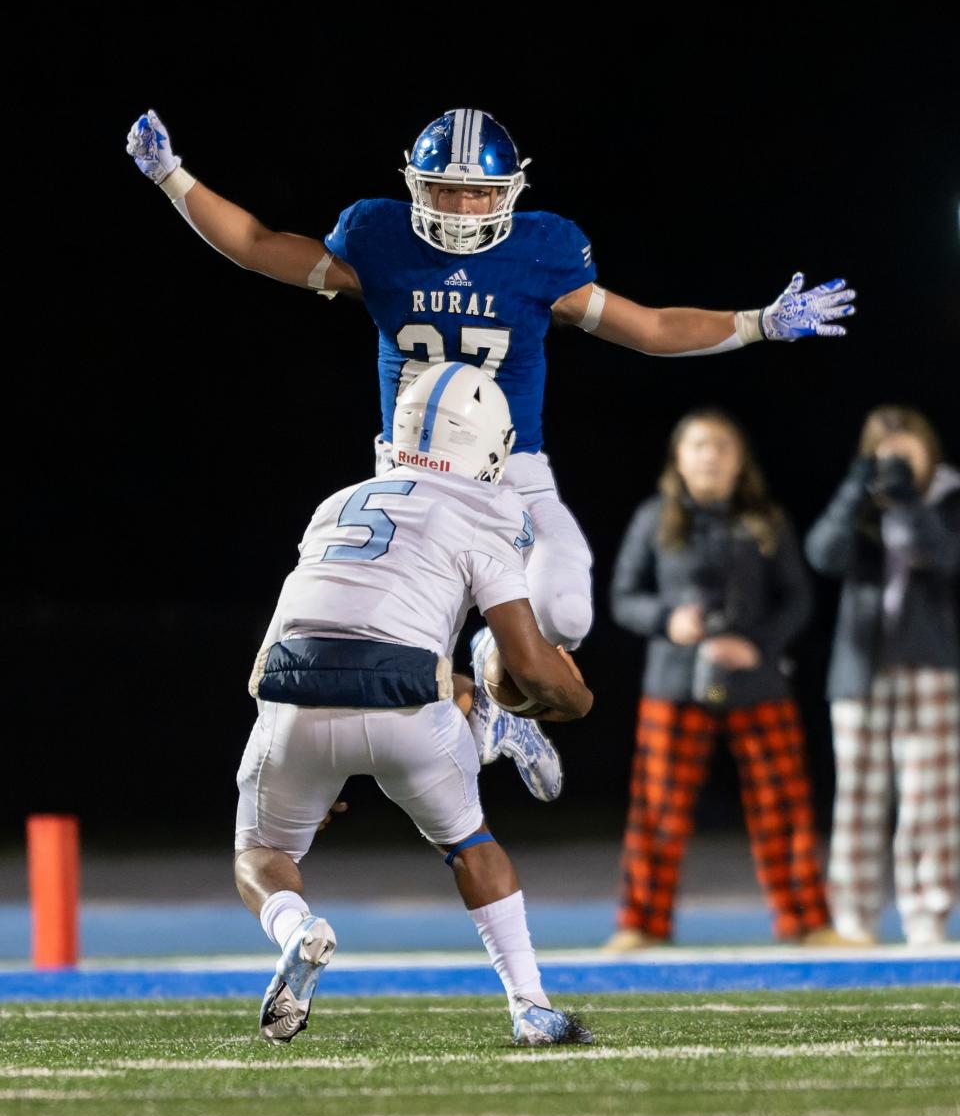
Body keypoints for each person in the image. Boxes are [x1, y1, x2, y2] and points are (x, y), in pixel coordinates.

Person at [126, 106, 855, 803]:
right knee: (391, 643)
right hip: (413, 482)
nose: (462, 207)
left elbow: (651, 326)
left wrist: (759, 324)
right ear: (415, 184)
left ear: (507, 193)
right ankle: (325, 757)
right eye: (445, 188)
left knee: (567, 614)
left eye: (478, 193)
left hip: (515, 475)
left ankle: (500, 697)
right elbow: (257, 246)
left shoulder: (540, 252)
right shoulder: (378, 241)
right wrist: (171, 176)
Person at [234, 362, 594, 1046]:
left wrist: (321, 760)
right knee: (470, 844)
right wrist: (575, 700)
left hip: (292, 693)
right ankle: (531, 1006)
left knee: (262, 852)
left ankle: (299, 929)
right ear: (489, 443)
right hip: (404, 702)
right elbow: (530, 661)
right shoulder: (487, 509)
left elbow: (317, 618)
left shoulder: (335, 502)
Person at [605, 410, 838, 949]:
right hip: (677, 682)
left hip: (755, 681)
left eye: (722, 446)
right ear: (679, 458)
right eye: (699, 445)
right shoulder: (654, 518)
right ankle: (641, 925)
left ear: (739, 461)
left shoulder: (765, 519)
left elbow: (799, 601)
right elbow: (622, 599)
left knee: (783, 805)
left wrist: (756, 644)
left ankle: (807, 922)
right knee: (658, 807)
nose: (710, 455)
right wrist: (669, 620)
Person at [805, 406, 960, 946]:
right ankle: (854, 916)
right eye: (885, 449)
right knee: (859, 800)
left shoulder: (948, 495)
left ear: (928, 446)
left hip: (930, 667)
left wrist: (910, 499)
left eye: (906, 446)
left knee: (930, 799)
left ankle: (927, 912)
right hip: (859, 669)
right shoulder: (861, 500)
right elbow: (823, 554)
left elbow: (946, 558)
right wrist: (857, 487)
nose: (896, 458)